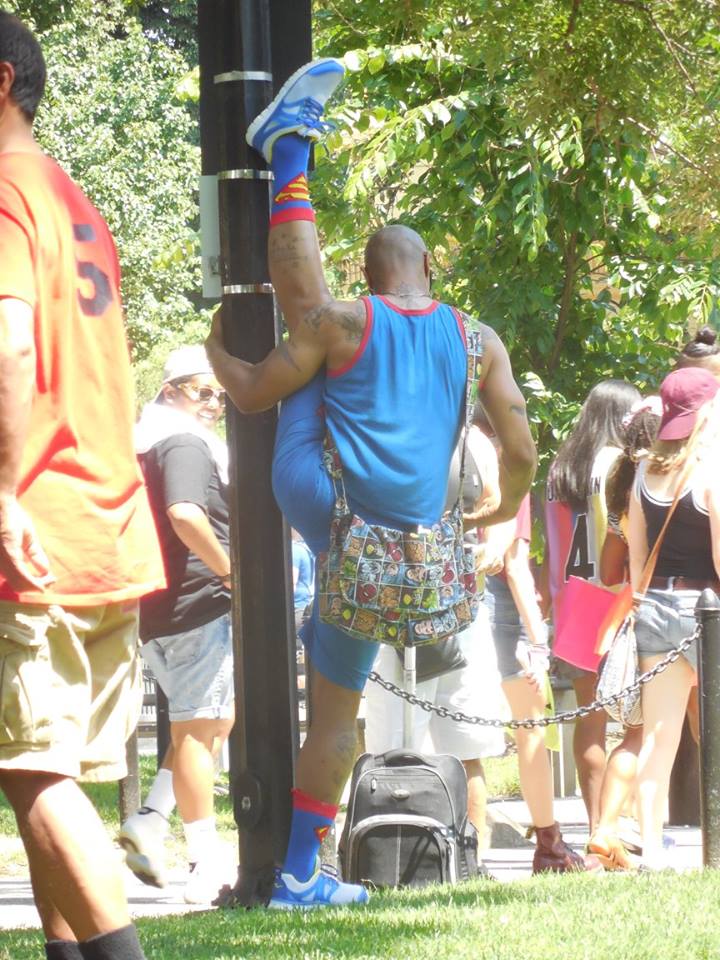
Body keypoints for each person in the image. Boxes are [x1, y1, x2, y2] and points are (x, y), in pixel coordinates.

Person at [205, 58, 536, 909]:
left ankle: (288, 156)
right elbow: (524, 446)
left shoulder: (349, 317)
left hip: (324, 506)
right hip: (410, 557)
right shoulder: (479, 338)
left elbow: (247, 393)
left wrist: (217, 350)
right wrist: (497, 506)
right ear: (430, 268)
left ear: (375, 271)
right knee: (338, 721)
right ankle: (298, 873)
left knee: (312, 340)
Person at [0, 15, 165, 960]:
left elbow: (12, 343)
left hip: (37, 521)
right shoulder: (69, 193)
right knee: (43, 771)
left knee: (32, 775)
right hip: (101, 518)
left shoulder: (7, 191)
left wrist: (3, 493)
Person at [118, 346, 235, 904]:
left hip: (165, 605)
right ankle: (204, 863)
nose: (213, 402)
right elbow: (185, 513)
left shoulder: (152, 439)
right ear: (170, 391)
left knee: (214, 722)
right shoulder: (183, 442)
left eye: (218, 393)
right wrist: (232, 571)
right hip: (195, 603)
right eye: (201, 390)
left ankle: (150, 817)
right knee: (199, 728)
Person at [364, 422, 507, 849]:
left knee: (467, 745)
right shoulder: (383, 427)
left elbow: (500, 502)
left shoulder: (471, 438)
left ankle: (472, 856)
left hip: (463, 605)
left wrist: (493, 542)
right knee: (396, 749)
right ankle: (395, 856)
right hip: (397, 609)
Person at [477, 408, 599, 873]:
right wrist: (538, 640)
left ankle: (467, 847)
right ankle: (549, 846)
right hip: (503, 616)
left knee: (461, 736)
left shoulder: (445, 459)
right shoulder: (510, 467)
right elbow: (513, 565)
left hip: (449, 602)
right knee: (530, 734)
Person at [628, 367, 720, 870]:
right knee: (716, 738)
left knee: (659, 741)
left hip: (657, 610)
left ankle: (650, 851)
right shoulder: (711, 473)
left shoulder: (643, 474)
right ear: (705, 412)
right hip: (708, 615)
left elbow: (638, 563)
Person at [542, 380, 640, 833]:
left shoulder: (562, 467)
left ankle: (595, 823)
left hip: (572, 602)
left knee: (590, 720)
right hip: (613, 597)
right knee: (637, 720)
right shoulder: (619, 465)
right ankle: (612, 829)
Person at [586, 399, 661, 870]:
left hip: (636, 615)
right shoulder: (674, 486)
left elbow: (609, 569)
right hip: (685, 613)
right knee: (699, 726)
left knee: (635, 732)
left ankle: (605, 828)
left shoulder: (621, 492)